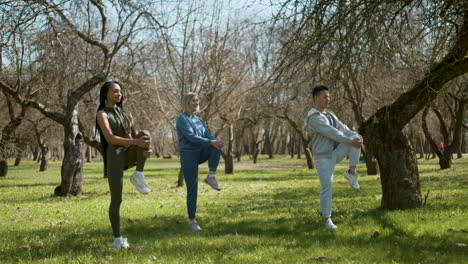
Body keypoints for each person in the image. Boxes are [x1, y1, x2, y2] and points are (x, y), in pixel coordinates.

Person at [96, 81, 153, 249]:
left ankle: (138, 174)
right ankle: (117, 238)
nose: (118, 94)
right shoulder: (102, 114)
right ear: (105, 94)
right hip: (115, 156)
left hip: (128, 153)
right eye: (115, 91)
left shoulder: (127, 113)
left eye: (120, 91)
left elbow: (137, 137)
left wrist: (145, 149)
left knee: (145, 134)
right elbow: (111, 138)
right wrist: (135, 142)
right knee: (117, 199)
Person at [305, 85, 363, 230]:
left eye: (329, 97)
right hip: (323, 158)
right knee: (327, 187)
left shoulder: (330, 114)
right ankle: (327, 220)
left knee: (356, 136)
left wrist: (355, 138)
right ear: (316, 98)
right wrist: (350, 141)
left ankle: (351, 173)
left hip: (335, 152)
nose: (328, 99)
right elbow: (332, 133)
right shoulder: (314, 118)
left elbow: (343, 128)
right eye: (325, 97)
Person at [176, 92, 224, 231]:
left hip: (201, 151)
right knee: (193, 187)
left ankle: (211, 176)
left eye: (197, 100)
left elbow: (208, 136)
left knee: (216, 145)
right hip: (189, 154)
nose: (196, 103)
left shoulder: (200, 120)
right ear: (186, 102)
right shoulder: (182, 119)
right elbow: (191, 137)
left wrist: (216, 140)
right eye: (193, 101)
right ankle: (192, 220)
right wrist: (211, 141)